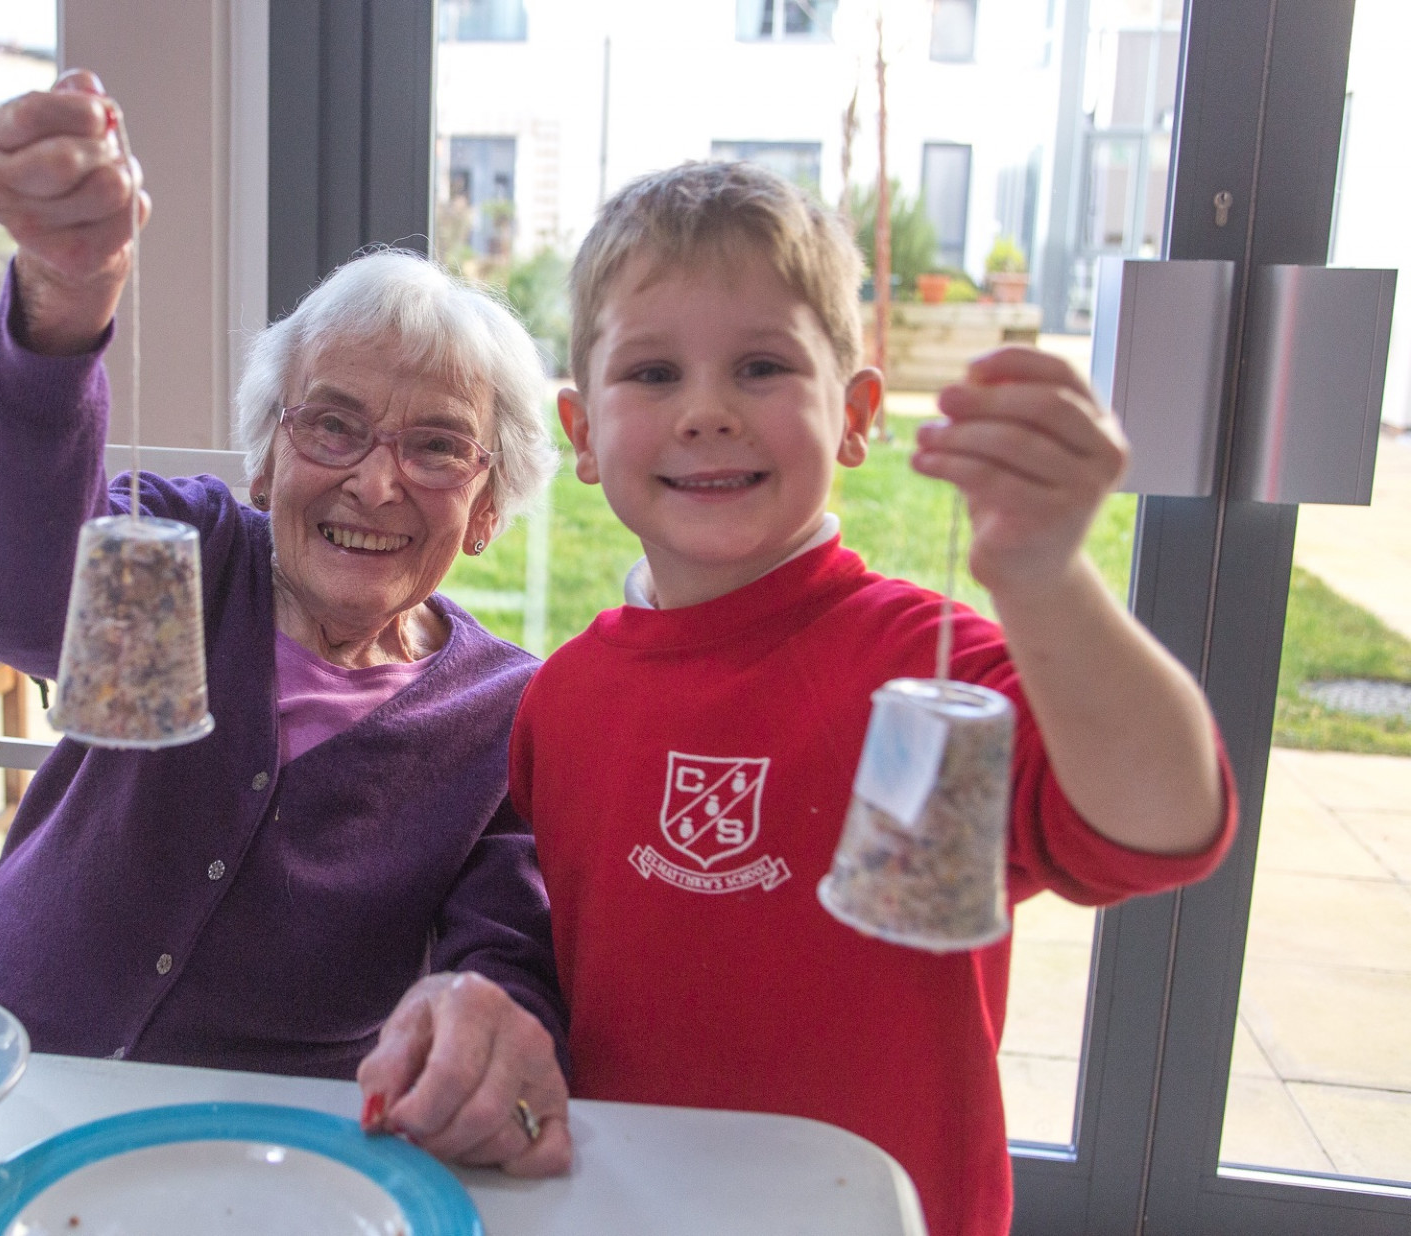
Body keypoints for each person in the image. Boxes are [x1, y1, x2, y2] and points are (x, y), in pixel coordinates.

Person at [509, 160, 1238, 1235]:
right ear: (579, 432)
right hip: (627, 1207)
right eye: (653, 374)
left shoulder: (924, 675)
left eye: (762, 366)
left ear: (853, 416)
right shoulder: (563, 700)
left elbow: (1160, 826)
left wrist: (1045, 576)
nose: (706, 411)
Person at [0, 70, 572, 1176]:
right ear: (266, 456)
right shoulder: (184, 557)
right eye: (334, 426)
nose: (374, 484)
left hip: (256, 1159)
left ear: (490, 504)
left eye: (438, 447)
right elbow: (9, 590)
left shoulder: (503, 712)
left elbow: (507, 950)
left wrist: (485, 1025)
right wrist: (63, 302)